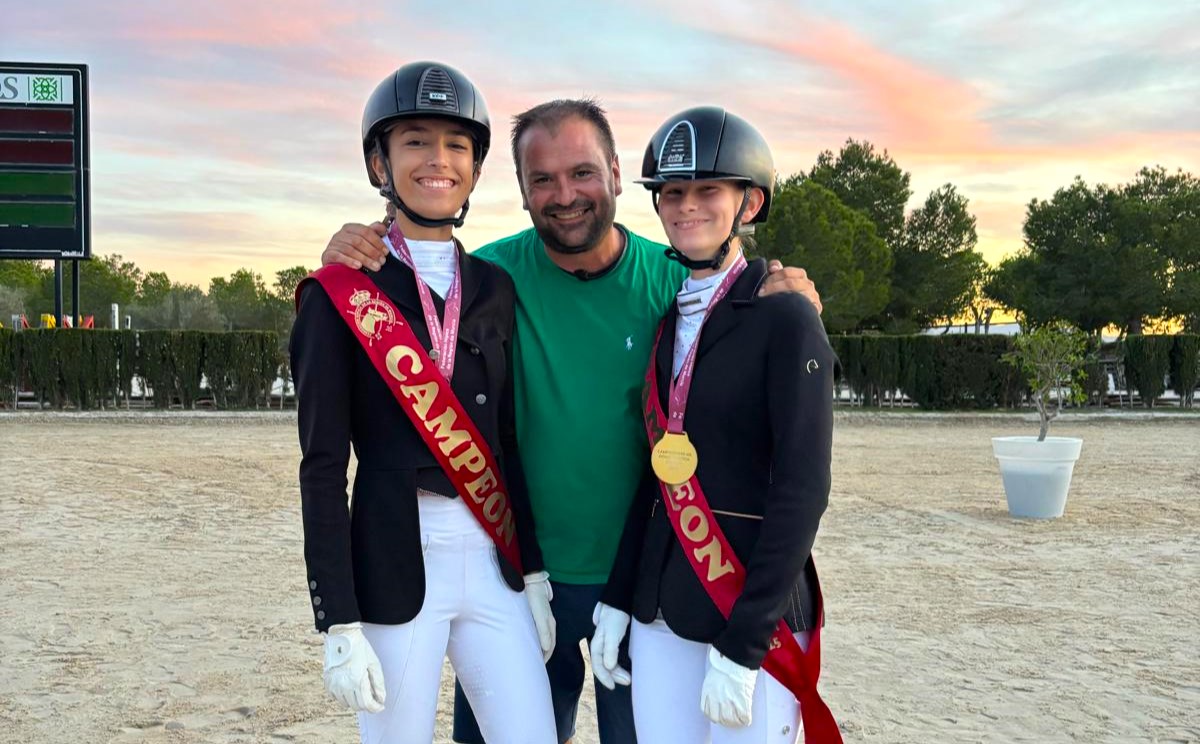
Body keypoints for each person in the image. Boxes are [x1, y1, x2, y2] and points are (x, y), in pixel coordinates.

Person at [321, 98, 824, 744]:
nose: (565, 195)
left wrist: (796, 299)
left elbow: (749, 324)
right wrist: (350, 246)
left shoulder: (673, 282)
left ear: (616, 173)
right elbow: (404, 280)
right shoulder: (489, 277)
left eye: (582, 172)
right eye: (542, 180)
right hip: (520, 578)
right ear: (522, 191)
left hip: (647, 584)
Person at [290, 61, 557, 743]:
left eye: (457, 145)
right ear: (380, 162)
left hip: (492, 558)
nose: (438, 159)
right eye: (414, 140)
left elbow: (504, 439)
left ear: (473, 167)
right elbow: (322, 465)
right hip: (392, 560)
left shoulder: (494, 286)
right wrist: (338, 618)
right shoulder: (337, 293)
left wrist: (529, 568)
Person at [588, 106, 839, 744]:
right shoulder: (673, 320)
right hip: (659, 607)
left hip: (744, 610)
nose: (686, 207)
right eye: (673, 193)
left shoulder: (786, 318)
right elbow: (657, 471)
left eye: (707, 190)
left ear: (748, 203)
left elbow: (803, 489)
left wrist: (747, 641)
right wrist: (619, 597)